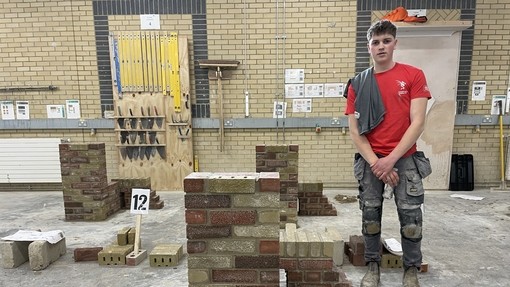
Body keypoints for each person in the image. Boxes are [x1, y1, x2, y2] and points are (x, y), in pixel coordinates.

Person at [344, 20, 432, 287]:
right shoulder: (358, 83)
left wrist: (391, 160)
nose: (381, 46)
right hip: (372, 161)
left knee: (411, 218)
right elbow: (355, 131)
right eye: (375, 42)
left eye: (386, 41)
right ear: (368, 46)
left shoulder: (413, 75)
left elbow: (418, 122)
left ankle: (411, 270)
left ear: (395, 43)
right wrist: (376, 163)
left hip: (404, 159)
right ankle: (373, 267)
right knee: (370, 216)